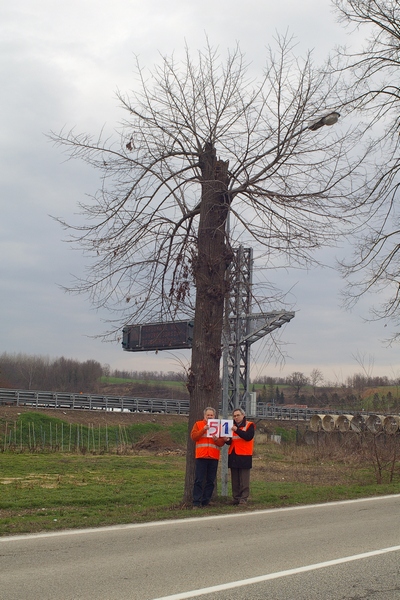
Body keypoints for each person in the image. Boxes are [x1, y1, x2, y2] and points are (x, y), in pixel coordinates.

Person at [191, 406, 226, 508]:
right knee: (199, 480)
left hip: (213, 457)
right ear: (204, 416)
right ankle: (196, 502)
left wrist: (216, 439)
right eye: (208, 415)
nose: (210, 416)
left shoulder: (218, 426)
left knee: (210, 481)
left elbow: (221, 443)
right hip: (201, 456)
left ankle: (206, 501)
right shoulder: (198, 424)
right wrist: (203, 429)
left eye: (211, 415)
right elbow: (194, 437)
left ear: (214, 416)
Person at [226, 407, 255, 505]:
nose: (236, 417)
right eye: (234, 416)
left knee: (244, 479)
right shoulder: (231, 426)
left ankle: (243, 498)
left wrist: (237, 430)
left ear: (243, 415)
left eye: (238, 415)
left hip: (244, 455)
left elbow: (248, 436)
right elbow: (231, 441)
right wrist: (227, 440)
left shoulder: (249, 425)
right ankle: (236, 498)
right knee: (235, 479)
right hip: (233, 455)